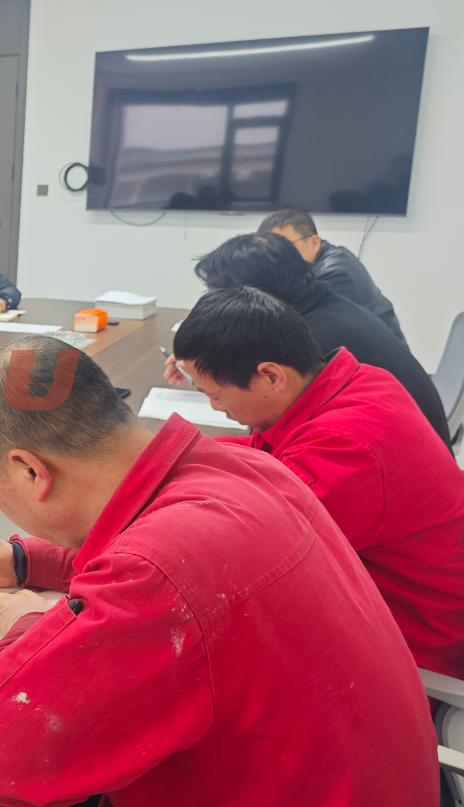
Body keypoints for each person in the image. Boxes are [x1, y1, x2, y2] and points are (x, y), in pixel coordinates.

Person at [0, 336, 437, 807]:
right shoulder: (244, 466)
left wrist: (28, 622)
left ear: (30, 470)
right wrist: (25, 560)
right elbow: (169, 561)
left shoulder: (159, 576)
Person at [173, 286, 464, 678]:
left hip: (419, 642)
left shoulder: (344, 449)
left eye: (216, 396)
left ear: (271, 376)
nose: (217, 409)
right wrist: (173, 454)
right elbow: (266, 454)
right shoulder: (359, 381)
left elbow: (251, 556)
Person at [168, 231, 450, 447]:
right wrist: (201, 364)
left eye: (219, 296)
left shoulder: (312, 340)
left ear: (254, 296)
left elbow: (269, 430)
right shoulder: (325, 306)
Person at [259, 208, 405, 342]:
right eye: (270, 249)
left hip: (379, 359)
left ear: (314, 242)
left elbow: (295, 326)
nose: (277, 256)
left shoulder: (334, 274)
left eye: (285, 247)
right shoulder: (319, 262)